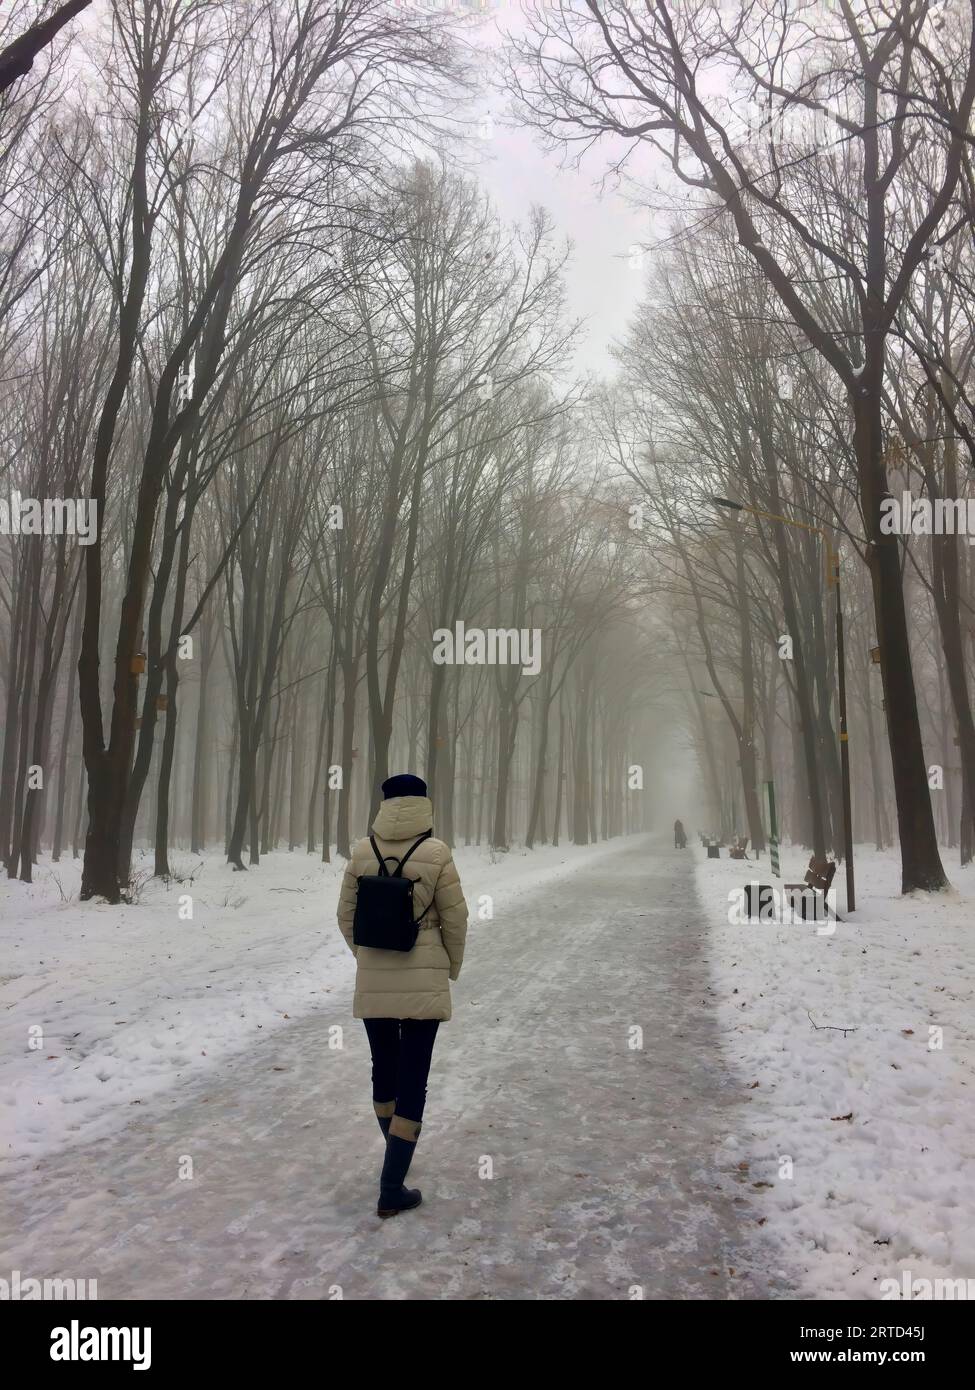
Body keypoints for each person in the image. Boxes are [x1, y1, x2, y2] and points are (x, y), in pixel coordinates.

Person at [337, 774, 468, 1218]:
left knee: (383, 1069)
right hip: (423, 975)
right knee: (414, 1076)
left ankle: (394, 1150)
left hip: (374, 976)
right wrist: (449, 965)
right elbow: (456, 918)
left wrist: (367, 955)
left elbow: (345, 917)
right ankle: (392, 1183)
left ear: (385, 805)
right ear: (424, 805)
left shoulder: (360, 851)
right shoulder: (436, 853)